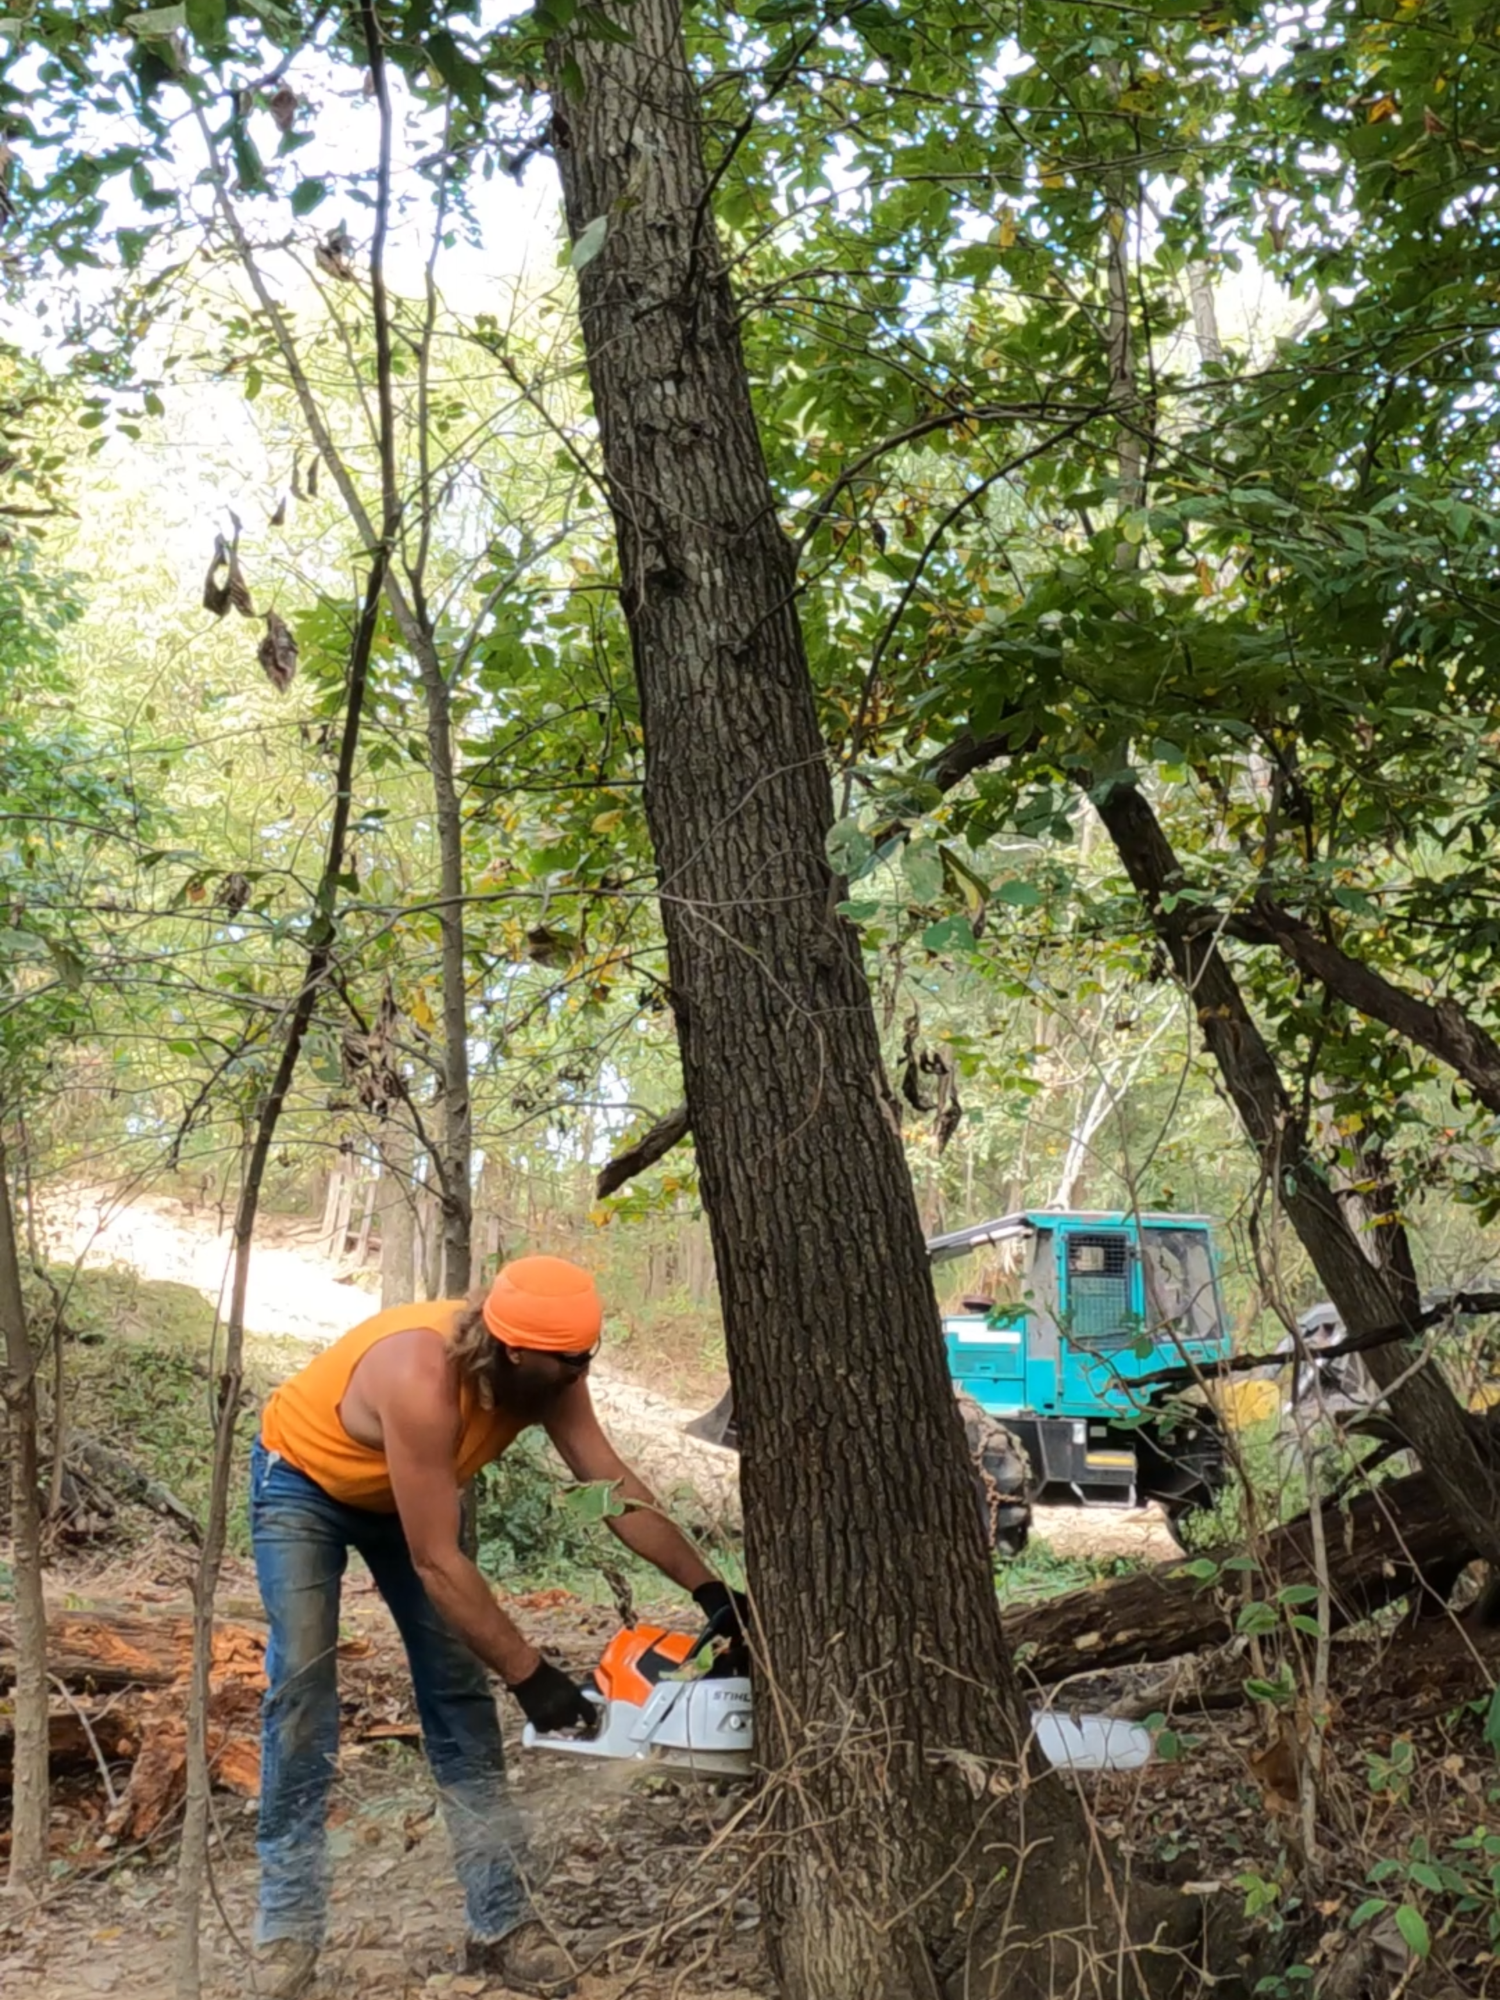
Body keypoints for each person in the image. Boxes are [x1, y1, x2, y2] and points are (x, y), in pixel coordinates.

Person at [249, 1253, 744, 1999]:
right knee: (303, 1687)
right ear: (513, 1350)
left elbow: (611, 1490)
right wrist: (530, 1674)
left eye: (587, 1357)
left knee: (456, 1693)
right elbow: (437, 1563)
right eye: (569, 1362)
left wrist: (711, 1590)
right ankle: (286, 1930)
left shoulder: (549, 1377)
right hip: (304, 1484)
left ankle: (503, 1920)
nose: (582, 1374)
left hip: (415, 1499)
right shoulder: (421, 1380)